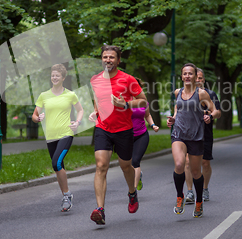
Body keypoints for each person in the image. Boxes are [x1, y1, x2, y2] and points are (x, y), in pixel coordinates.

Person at [88, 45, 147, 225]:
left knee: (126, 166)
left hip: (123, 129)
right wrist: (95, 112)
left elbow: (143, 101)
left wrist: (126, 104)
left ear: (118, 60)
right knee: (101, 166)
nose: (108, 60)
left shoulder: (128, 80)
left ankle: (132, 193)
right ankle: (100, 209)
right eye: (105, 57)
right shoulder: (95, 80)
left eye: (112, 57)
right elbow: (98, 100)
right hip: (103, 128)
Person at [167, 63, 219, 218]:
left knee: (196, 172)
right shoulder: (178, 92)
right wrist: (173, 119)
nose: (187, 76)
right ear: (182, 76)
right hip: (179, 133)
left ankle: (199, 201)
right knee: (179, 164)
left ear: (196, 77)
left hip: (196, 136)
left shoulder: (202, 94)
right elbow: (178, 109)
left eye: (191, 73)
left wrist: (210, 116)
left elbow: (217, 111)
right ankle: (179, 196)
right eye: (185, 74)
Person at [32, 64, 83, 212]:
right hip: (51, 136)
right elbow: (34, 115)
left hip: (66, 133)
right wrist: (38, 118)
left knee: (56, 162)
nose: (54, 77)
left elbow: (80, 110)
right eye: (52, 75)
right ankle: (66, 196)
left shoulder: (70, 95)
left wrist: (77, 122)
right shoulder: (44, 95)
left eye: (57, 76)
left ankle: (67, 195)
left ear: (63, 78)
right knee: (58, 166)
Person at [184, 68, 221, 204]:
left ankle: (205, 188)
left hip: (205, 133)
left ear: (203, 80)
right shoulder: (185, 93)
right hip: (188, 133)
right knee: (187, 162)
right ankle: (189, 192)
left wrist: (210, 115)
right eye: (196, 78)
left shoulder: (210, 94)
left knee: (205, 163)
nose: (198, 80)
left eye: (200, 78)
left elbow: (218, 112)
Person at [131, 78, 159, 191]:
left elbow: (147, 115)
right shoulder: (123, 102)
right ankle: (138, 176)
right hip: (126, 136)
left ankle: (132, 191)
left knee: (135, 161)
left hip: (141, 135)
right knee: (127, 164)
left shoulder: (144, 102)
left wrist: (153, 125)